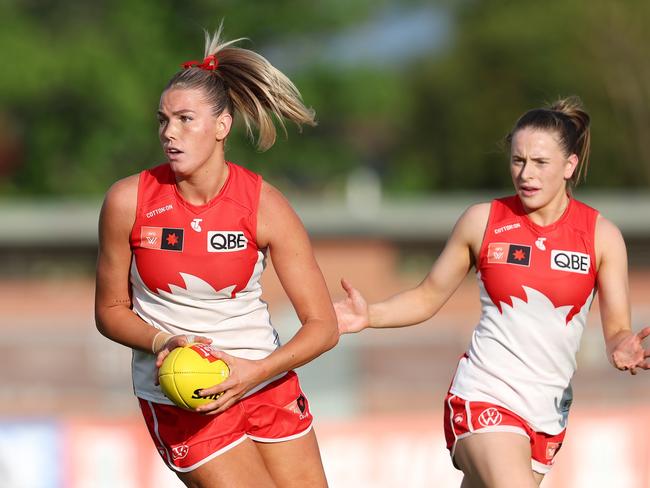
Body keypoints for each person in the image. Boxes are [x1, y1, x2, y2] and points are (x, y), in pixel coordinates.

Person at [334, 96, 650, 487]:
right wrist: (370, 316)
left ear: (569, 166)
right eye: (518, 160)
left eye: (540, 163)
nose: (525, 173)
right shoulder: (482, 221)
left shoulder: (602, 236)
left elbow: (617, 325)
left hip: (547, 412)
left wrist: (622, 344)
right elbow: (428, 296)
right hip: (484, 394)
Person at [95, 24, 338, 488]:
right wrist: (163, 343)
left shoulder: (265, 204)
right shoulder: (128, 200)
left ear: (222, 126)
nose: (170, 132)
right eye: (163, 120)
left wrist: (257, 372)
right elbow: (109, 312)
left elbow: (323, 327)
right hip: (184, 396)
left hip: (264, 380)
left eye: (186, 119)